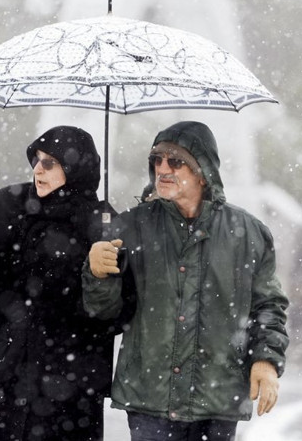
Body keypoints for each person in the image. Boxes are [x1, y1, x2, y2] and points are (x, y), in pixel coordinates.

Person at [83, 121, 289, 441]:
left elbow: (268, 305)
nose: (162, 168)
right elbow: (105, 312)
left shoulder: (248, 232)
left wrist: (266, 360)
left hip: (217, 395)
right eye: (156, 159)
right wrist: (96, 274)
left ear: (202, 170)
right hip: (150, 397)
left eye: (175, 161)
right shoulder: (131, 226)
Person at [0, 125, 127, 441]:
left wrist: (100, 273)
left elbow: (114, 314)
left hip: (67, 390)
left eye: (50, 163)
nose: (38, 169)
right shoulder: (6, 206)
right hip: (0, 377)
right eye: (37, 159)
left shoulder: (103, 224)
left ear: (75, 168)